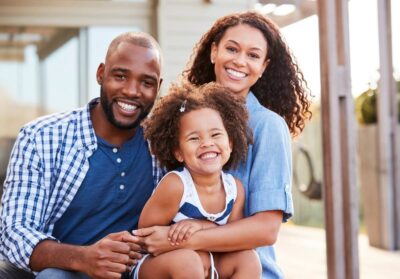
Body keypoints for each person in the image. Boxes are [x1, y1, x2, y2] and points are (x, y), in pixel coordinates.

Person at [133, 11, 312, 279]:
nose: (240, 61)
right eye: (232, 48)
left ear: (264, 66)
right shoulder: (185, 117)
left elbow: (266, 229)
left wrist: (180, 238)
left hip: (245, 269)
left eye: (253, 55)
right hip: (182, 267)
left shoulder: (267, 126)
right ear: (214, 51)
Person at [0, 31, 164, 279]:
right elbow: (14, 232)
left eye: (146, 82)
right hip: (64, 269)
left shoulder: (164, 145)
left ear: (158, 87)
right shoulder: (41, 137)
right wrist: (84, 258)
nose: (132, 91)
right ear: (100, 74)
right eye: (120, 76)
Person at [132, 82, 260, 279]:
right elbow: (146, 236)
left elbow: (233, 238)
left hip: (207, 263)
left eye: (216, 134)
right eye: (194, 138)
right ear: (178, 152)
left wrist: (201, 226)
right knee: (187, 262)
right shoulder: (176, 185)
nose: (207, 143)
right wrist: (180, 235)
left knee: (248, 259)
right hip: (158, 266)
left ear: (231, 142)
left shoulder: (235, 190)